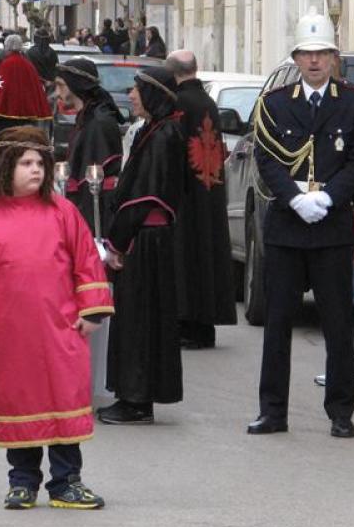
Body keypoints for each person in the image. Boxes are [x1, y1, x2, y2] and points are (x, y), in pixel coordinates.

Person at [0, 126, 114, 510]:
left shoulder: (63, 212)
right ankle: (22, 481)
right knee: (19, 401)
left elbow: (86, 261)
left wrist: (93, 310)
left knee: (63, 397)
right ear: (4, 167)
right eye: (26, 163)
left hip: (61, 328)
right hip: (10, 334)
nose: (36, 170)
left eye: (40, 163)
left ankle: (66, 480)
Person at [248, 10, 354, 438]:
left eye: (322, 54)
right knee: (277, 324)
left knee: (338, 325)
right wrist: (296, 198)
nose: (315, 61)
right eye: (307, 53)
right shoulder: (275, 103)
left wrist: (328, 196)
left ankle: (341, 411)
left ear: (334, 57)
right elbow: (265, 158)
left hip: (332, 226)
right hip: (287, 224)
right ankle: (272, 411)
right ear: (296, 58)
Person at [98, 67, 188, 425]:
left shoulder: (164, 136)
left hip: (145, 242)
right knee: (138, 320)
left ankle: (136, 398)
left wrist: (117, 242)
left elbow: (144, 197)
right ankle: (134, 395)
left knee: (139, 321)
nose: (131, 96)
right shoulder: (154, 130)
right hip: (145, 240)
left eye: (137, 90)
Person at [165, 50, 236, 349]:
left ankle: (189, 323)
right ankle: (205, 324)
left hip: (186, 192)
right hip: (210, 188)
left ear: (173, 74)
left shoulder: (178, 104)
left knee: (187, 258)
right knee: (207, 254)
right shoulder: (208, 101)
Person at [54, 58, 123, 235]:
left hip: (94, 220)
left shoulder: (99, 122)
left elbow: (95, 184)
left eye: (61, 85)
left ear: (75, 85)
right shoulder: (87, 117)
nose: (57, 93)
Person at [0, 34, 51, 136]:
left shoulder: (6, 64)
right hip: (27, 117)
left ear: (7, 47)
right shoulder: (29, 65)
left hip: (6, 118)